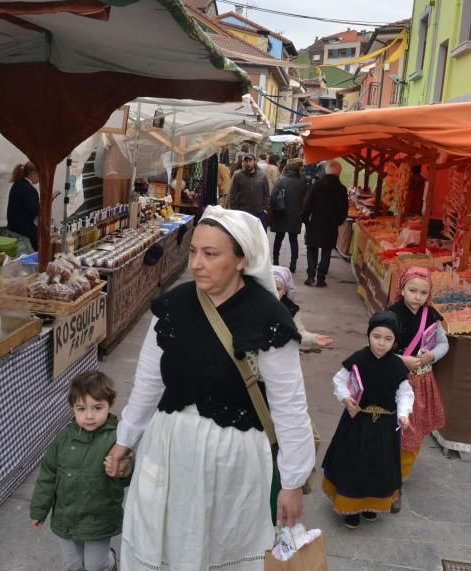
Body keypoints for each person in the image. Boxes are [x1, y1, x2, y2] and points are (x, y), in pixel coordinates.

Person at [104, 206, 314, 571]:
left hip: (233, 459)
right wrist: (126, 439)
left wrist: (293, 482)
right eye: (193, 251)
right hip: (169, 448)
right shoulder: (172, 306)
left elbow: (289, 405)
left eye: (211, 254)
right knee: (165, 542)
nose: (197, 263)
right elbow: (149, 381)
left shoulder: (268, 318)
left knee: (221, 548)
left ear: (241, 259)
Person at [322, 311, 413, 528]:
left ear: (395, 341)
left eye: (388, 339)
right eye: (376, 336)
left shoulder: (398, 366)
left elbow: (405, 393)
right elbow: (340, 381)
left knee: (379, 466)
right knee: (354, 464)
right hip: (357, 423)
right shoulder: (358, 359)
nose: (381, 343)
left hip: (384, 427)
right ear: (368, 335)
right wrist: (345, 399)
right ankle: (350, 508)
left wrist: (403, 414)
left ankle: (372, 504)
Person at [30, 371, 127, 571]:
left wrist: (123, 468)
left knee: (95, 565)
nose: (89, 416)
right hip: (67, 516)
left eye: (97, 408)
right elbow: (48, 476)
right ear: (73, 408)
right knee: (72, 565)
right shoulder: (63, 440)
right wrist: (40, 509)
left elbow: (131, 472)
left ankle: (109, 560)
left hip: (98, 519)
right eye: (81, 409)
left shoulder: (117, 439)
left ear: (110, 404)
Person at [386, 267, 448, 510]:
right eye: (412, 290)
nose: (417, 297)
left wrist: (431, 355)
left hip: (422, 383)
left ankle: (398, 479)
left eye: (424, 292)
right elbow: (378, 345)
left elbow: (444, 344)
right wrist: (402, 360)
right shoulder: (391, 315)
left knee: (412, 432)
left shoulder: (431, 316)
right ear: (401, 289)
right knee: (391, 429)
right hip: (395, 381)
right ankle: (387, 477)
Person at [302, 160, 348, 287]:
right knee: (327, 251)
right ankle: (321, 278)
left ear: (326, 171)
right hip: (331, 226)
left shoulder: (316, 186)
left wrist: (305, 220)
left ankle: (311, 276)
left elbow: (307, 205)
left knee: (312, 249)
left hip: (315, 223)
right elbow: (344, 211)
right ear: (339, 173)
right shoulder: (342, 189)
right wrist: (338, 221)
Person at [272, 265, 332, 350]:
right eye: (270, 288)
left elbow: (299, 332)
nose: (274, 293)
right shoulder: (256, 305)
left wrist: (314, 338)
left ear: (285, 290)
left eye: (278, 289)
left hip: (281, 355)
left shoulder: (291, 309)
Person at [269, 159, 308, 272]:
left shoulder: (281, 180)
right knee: (293, 240)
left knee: (278, 238)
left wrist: (273, 210)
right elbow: (305, 200)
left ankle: (276, 261)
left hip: (281, 213)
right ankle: (293, 264)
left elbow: (273, 197)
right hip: (295, 215)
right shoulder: (302, 183)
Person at [7, 161, 41, 253]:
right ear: (34, 173)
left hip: (15, 231)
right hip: (22, 234)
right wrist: (45, 204)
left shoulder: (18, 185)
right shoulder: (27, 188)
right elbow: (33, 211)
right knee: (26, 264)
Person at [228, 154, 270, 226]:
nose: (248, 163)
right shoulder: (238, 176)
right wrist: (234, 209)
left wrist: (265, 209)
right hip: (243, 212)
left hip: (258, 213)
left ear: (254, 161)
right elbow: (233, 194)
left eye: (250, 161)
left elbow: (266, 194)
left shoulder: (262, 176)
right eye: (246, 161)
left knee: (258, 235)